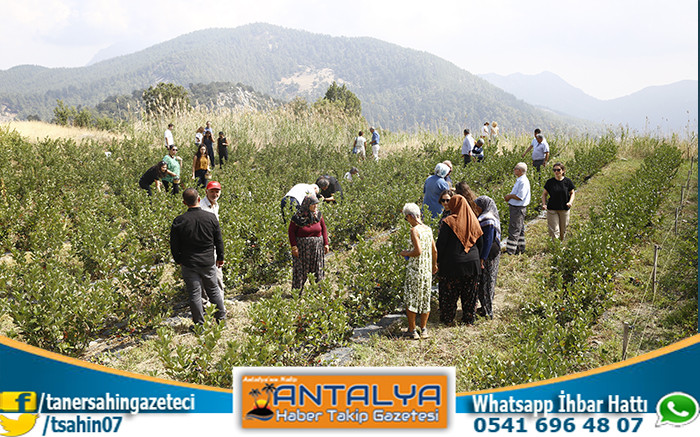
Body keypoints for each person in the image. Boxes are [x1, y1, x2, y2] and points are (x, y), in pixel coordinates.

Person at [170, 188, 226, 326]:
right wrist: (220, 257)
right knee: (213, 291)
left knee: (195, 294)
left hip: (189, 263)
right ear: (199, 199)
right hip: (207, 261)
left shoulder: (179, 221)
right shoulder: (210, 218)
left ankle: (199, 325)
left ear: (184, 202)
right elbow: (218, 240)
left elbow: (174, 245)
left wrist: (179, 260)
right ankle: (221, 321)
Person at [436, 194, 483, 325]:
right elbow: (481, 242)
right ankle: (468, 319)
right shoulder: (473, 221)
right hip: (472, 264)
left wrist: (437, 261)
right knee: (470, 294)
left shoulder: (448, 222)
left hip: (451, 265)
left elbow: (441, 244)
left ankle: (448, 319)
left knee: (449, 293)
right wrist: (480, 259)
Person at [399, 203, 438, 340]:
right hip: (426, 270)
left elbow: (418, 251)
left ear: (410, 216)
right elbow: (434, 250)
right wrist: (434, 265)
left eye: (406, 218)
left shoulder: (414, 230)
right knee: (424, 299)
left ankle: (412, 330)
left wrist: (405, 253)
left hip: (415, 270)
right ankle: (424, 329)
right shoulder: (428, 229)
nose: (407, 221)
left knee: (411, 300)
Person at [288, 195, 329, 295]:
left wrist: (326, 244)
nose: (315, 206)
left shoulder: (318, 215)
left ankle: (318, 292)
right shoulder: (297, 217)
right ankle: (297, 293)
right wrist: (294, 246)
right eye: (313, 204)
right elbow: (291, 232)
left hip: (317, 247)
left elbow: (324, 229)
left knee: (317, 268)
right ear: (307, 205)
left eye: (316, 204)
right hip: (302, 247)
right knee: (301, 269)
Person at [474, 195, 501, 319]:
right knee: (484, 282)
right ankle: (484, 307)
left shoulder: (488, 219)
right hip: (487, 254)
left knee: (488, 282)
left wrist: (483, 258)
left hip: (490, 254)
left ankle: (488, 311)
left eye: (477, 206)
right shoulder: (485, 217)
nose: (476, 208)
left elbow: (488, 240)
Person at [201, 180, 225, 294]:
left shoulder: (216, 205)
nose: (215, 194)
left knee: (218, 274)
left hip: (214, 245)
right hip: (205, 246)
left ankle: (220, 302)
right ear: (206, 192)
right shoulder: (202, 207)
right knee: (208, 275)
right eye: (212, 191)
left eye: (217, 191)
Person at [542, 162, 576, 241]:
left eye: (558, 170)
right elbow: (544, 194)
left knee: (563, 230)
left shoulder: (567, 181)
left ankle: (561, 247)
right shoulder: (550, 182)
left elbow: (572, 193)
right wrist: (544, 204)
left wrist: (570, 202)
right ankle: (555, 247)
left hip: (564, 208)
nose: (556, 172)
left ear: (563, 171)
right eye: (554, 170)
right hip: (552, 209)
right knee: (554, 230)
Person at [504, 162, 531, 255]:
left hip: (518, 208)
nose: (514, 170)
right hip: (516, 208)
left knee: (514, 229)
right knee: (520, 228)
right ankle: (520, 248)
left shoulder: (523, 181)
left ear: (520, 171)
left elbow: (520, 196)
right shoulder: (520, 180)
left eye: (515, 168)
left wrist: (509, 196)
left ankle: (510, 251)